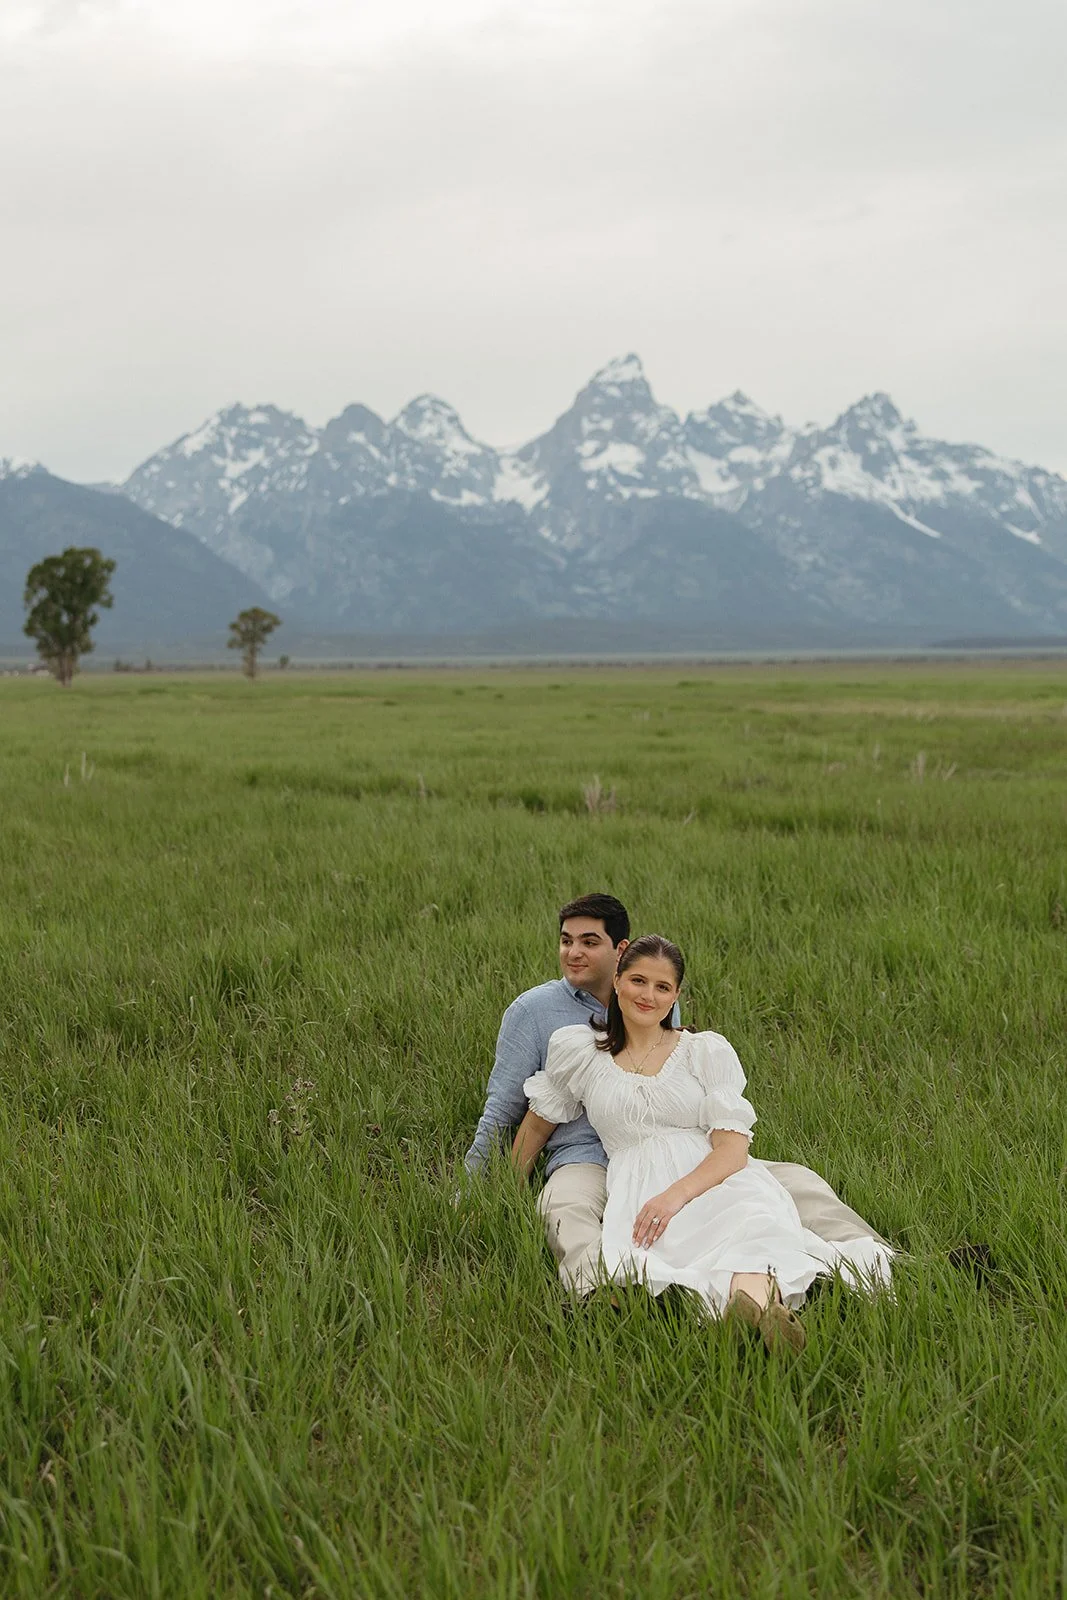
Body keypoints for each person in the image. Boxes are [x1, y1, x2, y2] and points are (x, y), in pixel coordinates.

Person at [464, 893, 888, 1298]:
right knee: (564, 1205)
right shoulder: (536, 1014)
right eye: (566, 941)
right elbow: (507, 1111)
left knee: (798, 1182)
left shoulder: (656, 1006)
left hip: (684, 1149)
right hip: (586, 1154)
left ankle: (882, 1262)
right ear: (621, 978)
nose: (574, 952)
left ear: (619, 950)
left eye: (589, 942)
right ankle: (599, 1292)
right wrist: (479, 1192)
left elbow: (680, 1076)